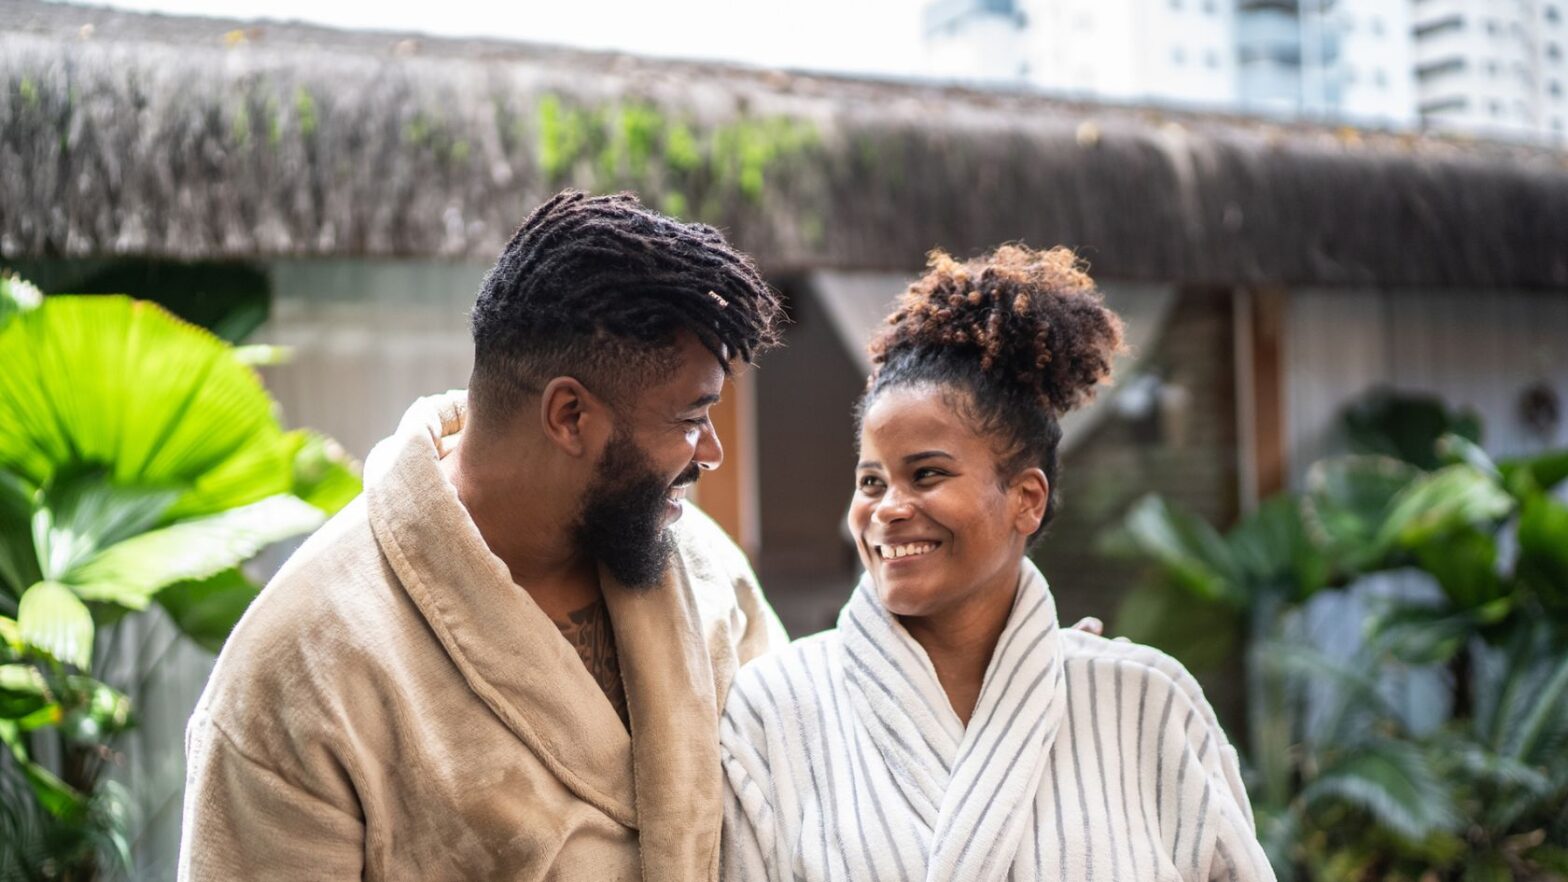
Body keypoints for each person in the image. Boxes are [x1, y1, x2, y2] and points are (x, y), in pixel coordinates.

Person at [179, 190, 791, 881]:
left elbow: (794, 806)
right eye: (689, 418)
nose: (709, 452)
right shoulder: (301, 662)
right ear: (569, 416)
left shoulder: (705, 570)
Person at [719, 245, 1276, 881]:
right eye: (871, 482)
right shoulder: (776, 710)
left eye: (927, 474)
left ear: (1026, 499)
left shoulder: (1146, 703)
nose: (888, 509)